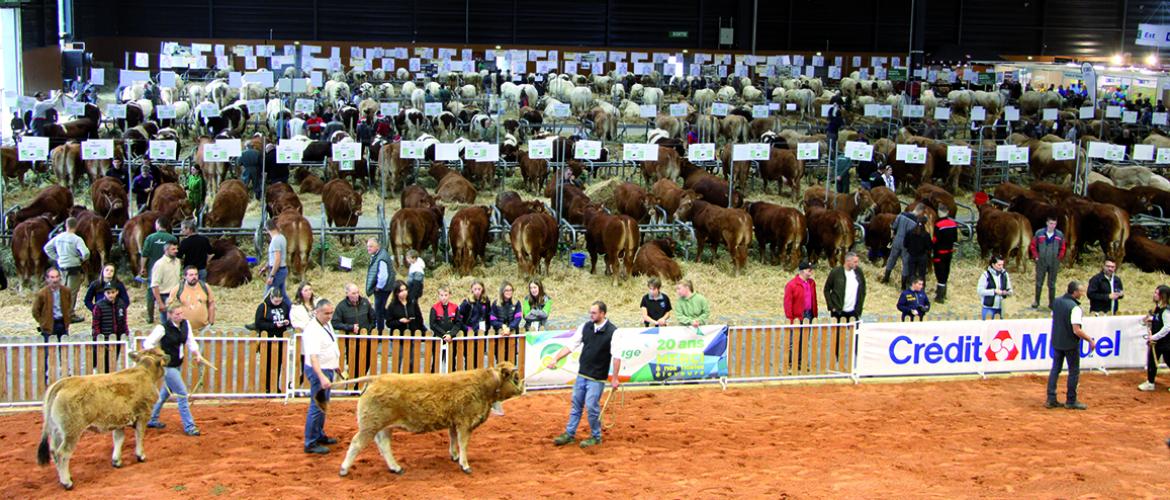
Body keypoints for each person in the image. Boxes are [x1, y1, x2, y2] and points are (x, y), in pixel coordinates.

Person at [549, 301, 621, 449]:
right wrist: (556, 358)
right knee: (576, 405)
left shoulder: (613, 332)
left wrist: (614, 378)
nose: (591, 315)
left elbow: (617, 356)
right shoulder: (585, 327)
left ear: (602, 314)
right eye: (590, 312)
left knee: (591, 406)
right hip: (582, 374)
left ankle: (596, 436)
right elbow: (571, 345)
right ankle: (570, 433)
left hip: (597, 378)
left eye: (594, 313)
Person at [144, 303, 205, 436]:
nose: (180, 316)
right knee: (182, 394)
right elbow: (148, 343)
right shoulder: (162, 328)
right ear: (170, 315)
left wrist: (197, 354)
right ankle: (189, 426)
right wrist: (157, 354)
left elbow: (190, 341)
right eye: (177, 314)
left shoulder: (185, 324)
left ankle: (152, 419)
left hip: (177, 364)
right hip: (167, 367)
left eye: (181, 313)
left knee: (164, 394)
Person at [1046, 281, 1093, 410]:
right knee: (1073, 371)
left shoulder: (1057, 302)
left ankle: (1051, 398)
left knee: (1055, 369)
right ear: (1075, 292)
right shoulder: (1075, 308)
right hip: (1070, 344)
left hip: (1056, 341)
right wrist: (1090, 340)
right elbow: (1076, 330)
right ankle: (1071, 400)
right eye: (1081, 291)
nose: (1082, 294)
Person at [302, 299, 340, 454]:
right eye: (326, 313)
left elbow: (329, 345)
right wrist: (322, 376)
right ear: (317, 312)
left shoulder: (325, 324)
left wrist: (335, 364)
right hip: (319, 371)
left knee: (322, 405)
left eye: (331, 313)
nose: (330, 316)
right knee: (317, 406)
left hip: (327, 368)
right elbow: (313, 358)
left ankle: (318, 435)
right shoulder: (312, 330)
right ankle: (310, 442)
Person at [43, 217, 90, 322]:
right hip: (74, 267)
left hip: (62, 267)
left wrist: (57, 257)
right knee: (72, 292)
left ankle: (59, 312)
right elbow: (86, 253)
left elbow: (47, 248)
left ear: (66, 226)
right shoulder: (76, 239)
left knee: (62, 290)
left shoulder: (59, 237)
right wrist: (81, 259)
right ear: (76, 226)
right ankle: (69, 314)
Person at [255, 289, 292, 393]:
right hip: (267, 339)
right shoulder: (263, 307)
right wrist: (274, 325)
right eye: (276, 301)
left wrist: (286, 322)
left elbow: (289, 318)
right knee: (267, 364)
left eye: (279, 301)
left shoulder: (285, 306)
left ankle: (275, 385)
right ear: (271, 298)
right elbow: (258, 323)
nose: (278, 303)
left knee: (278, 363)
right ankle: (266, 386)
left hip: (280, 338)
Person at [140, 217, 177, 323]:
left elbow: (145, 255)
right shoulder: (172, 238)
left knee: (151, 294)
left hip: (153, 271)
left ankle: (150, 317)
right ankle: (169, 317)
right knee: (169, 294)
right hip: (169, 271)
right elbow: (175, 255)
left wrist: (142, 268)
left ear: (158, 225)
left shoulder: (150, 238)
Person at [1029, 216, 1067, 309]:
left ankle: (1052, 303)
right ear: (1047, 223)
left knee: (1052, 283)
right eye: (1051, 223)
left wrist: (1060, 257)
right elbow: (1033, 245)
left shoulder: (1059, 234)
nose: (1052, 226)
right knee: (1039, 282)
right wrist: (1036, 256)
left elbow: (1063, 247)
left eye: (1054, 224)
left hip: (1054, 261)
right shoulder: (1039, 233)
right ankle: (1036, 301)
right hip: (1041, 261)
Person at [90, 284, 128, 372]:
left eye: (113, 292)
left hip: (117, 339)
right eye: (108, 293)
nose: (111, 295)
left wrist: (126, 333)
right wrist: (98, 338)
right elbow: (95, 324)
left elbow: (124, 321)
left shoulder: (121, 304)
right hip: (104, 340)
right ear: (104, 293)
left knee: (113, 363)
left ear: (117, 292)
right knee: (103, 364)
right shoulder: (99, 306)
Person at [881, 205, 923, 285]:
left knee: (891, 258)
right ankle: (903, 285)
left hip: (897, 240)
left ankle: (886, 278)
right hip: (907, 244)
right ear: (920, 212)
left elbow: (894, 226)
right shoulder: (917, 222)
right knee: (905, 263)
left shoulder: (901, 215)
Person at [1139, 285, 1170, 391]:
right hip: (1156, 342)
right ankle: (1150, 382)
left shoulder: (1166, 311)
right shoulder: (1158, 308)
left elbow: (1167, 327)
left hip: (1166, 342)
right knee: (1151, 360)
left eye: (1157, 293)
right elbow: (1156, 320)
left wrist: (1155, 337)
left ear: (1163, 296)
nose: (1154, 295)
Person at [167, 266, 215, 332]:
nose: (194, 277)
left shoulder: (205, 287)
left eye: (196, 274)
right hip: (184, 328)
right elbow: (170, 308)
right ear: (184, 276)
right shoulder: (178, 289)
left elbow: (211, 304)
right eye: (191, 275)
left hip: (204, 328)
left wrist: (211, 322)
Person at [824, 252, 866, 322]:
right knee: (837, 332)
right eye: (855, 262)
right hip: (838, 311)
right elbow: (827, 290)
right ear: (848, 261)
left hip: (853, 311)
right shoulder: (836, 272)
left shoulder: (858, 272)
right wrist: (831, 307)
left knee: (855, 332)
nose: (857, 264)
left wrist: (859, 308)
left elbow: (863, 289)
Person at [32, 268, 72, 342]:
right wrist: (43, 321)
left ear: (60, 278)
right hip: (49, 324)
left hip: (62, 323)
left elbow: (69, 305)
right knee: (48, 350)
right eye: (52, 277)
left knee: (64, 350)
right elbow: (35, 311)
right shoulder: (42, 293)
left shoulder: (66, 291)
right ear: (47, 279)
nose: (55, 280)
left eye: (57, 277)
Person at [365, 238, 394, 334]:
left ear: (377, 246)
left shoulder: (381, 258)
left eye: (371, 246)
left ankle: (380, 331)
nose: (368, 248)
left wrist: (378, 287)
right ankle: (393, 319)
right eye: (368, 246)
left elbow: (383, 276)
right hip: (385, 287)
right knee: (380, 308)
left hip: (383, 288)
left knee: (379, 310)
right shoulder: (379, 255)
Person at [150, 242, 183, 324]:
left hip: (176, 295)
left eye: (177, 249)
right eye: (173, 249)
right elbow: (154, 285)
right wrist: (160, 303)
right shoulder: (160, 264)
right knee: (166, 323)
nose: (176, 251)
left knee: (177, 320)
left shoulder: (178, 261)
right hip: (165, 296)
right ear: (166, 250)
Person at [932, 205, 959, 303]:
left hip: (939, 253)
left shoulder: (938, 224)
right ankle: (944, 293)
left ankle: (940, 296)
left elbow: (935, 240)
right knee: (946, 272)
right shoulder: (953, 223)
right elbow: (955, 239)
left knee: (940, 273)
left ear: (939, 212)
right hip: (949, 252)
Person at [978, 255, 1013, 320]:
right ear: (993, 265)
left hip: (1002, 307)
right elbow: (980, 291)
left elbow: (1010, 289)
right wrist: (994, 291)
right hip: (989, 307)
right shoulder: (985, 275)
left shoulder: (1005, 274)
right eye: (999, 265)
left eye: (1002, 265)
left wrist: (1007, 292)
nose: (1001, 267)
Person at [903, 216, 932, 291]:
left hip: (912, 256)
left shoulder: (910, 232)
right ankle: (921, 289)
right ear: (925, 224)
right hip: (922, 257)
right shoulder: (926, 235)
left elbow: (905, 244)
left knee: (911, 274)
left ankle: (910, 288)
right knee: (921, 275)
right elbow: (929, 247)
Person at [264, 219, 290, 303]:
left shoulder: (275, 240)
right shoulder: (281, 237)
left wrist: (271, 275)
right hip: (282, 269)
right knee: (283, 295)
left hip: (277, 271)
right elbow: (276, 257)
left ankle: (266, 313)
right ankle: (290, 311)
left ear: (267, 229)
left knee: (268, 294)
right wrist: (266, 266)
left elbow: (277, 259)